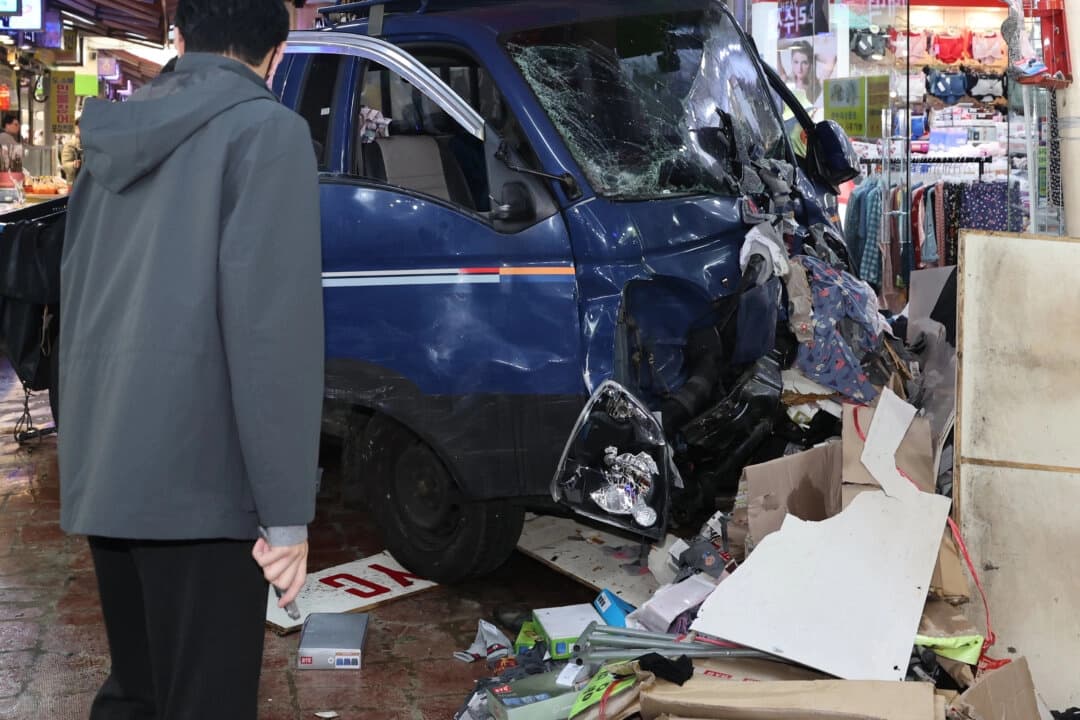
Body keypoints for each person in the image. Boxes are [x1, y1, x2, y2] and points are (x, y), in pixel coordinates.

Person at [58, 0, 323, 717]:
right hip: (203, 486)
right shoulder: (268, 131)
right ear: (279, 48)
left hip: (109, 471)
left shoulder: (112, 136)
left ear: (182, 37)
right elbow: (272, 334)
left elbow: (79, 297)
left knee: (140, 693)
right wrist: (287, 515)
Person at [60, 118, 82, 183]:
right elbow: (65, 165)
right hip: (75, 182)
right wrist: (73, 164)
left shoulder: (95, 143)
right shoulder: (70, 145)